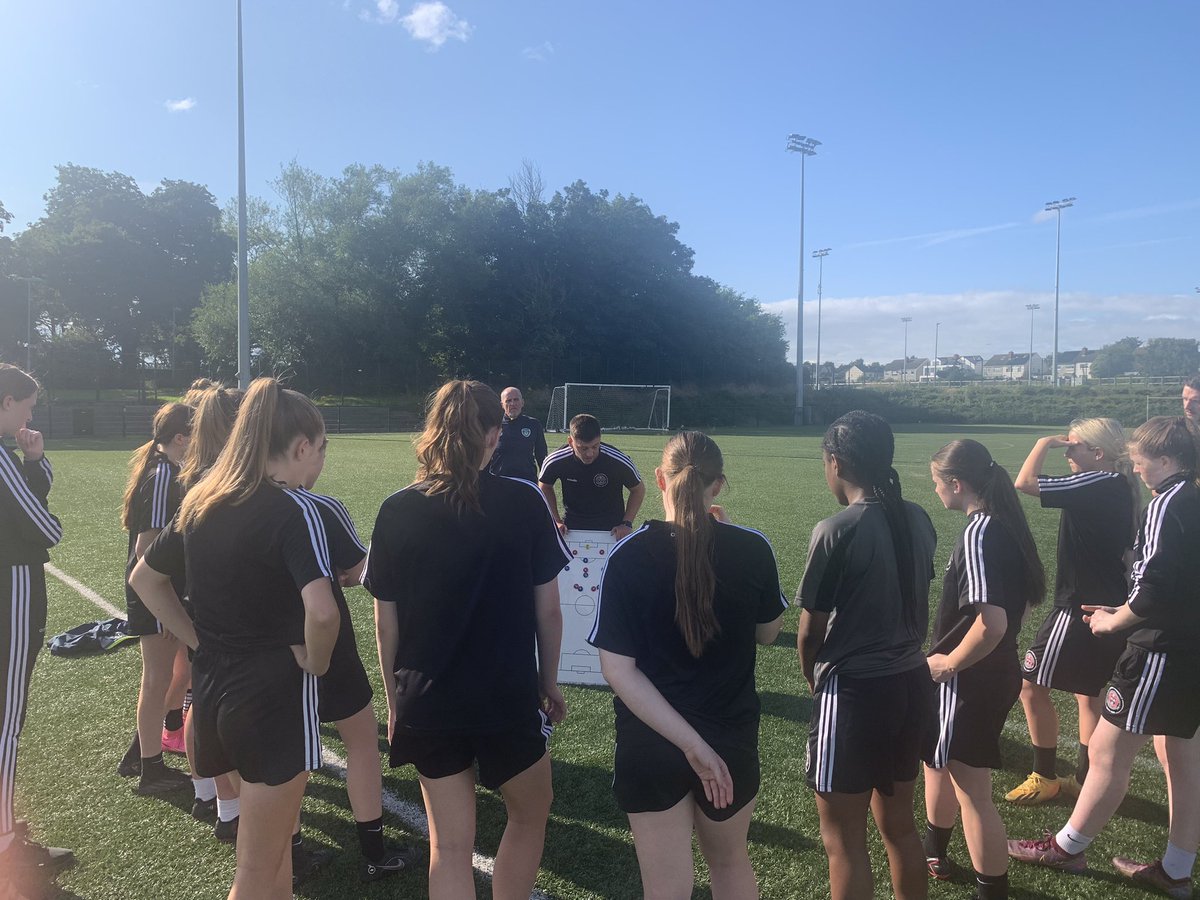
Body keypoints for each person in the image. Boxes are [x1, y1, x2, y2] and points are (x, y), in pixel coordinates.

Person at [130, 377, 341, 900]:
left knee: (273, 867)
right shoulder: (294, 510)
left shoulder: (203, 499)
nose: (320, 459)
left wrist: (198, 641)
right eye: (320, 448)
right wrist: (315, 661)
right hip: (272, 696)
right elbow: (323, 610)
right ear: (298, 447)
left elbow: (144, 578)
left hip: (215, 692)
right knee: (256, 868)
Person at [364, 380, 569, 900]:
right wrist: (551, 684)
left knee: (449, 847)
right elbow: (549, 609)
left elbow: (385, 623)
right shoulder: (524, 501)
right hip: (506, 696)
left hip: (427, 699)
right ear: (495, 435)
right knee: (530, 815)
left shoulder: (397, 508)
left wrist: (394, 703)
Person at [588, 431, 786, 899]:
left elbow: (618, 671)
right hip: (729, 738)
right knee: (731, 864)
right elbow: (769, 632)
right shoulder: (752, 548)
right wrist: (733, 535)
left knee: (666, 887)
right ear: (717, 485)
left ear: (659, 479)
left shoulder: (627, 556)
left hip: (651, 743)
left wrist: (686, 744)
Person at [1009, 416, 1200, 899]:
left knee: (1107, 754)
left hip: (1159, 650)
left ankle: (1067, 846)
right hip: (1188, 645)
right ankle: (1176, 869)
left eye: (1141, 461)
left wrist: (1116, 621)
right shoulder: (1193, 498)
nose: (1135, 470)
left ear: (1164, 459)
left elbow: (1154, 585)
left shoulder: (1168, 504)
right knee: (1180, 755)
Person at [796, 410, 938, 900]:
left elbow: (810, 633)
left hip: (855, 692)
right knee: (900, 827)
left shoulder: (837, 528)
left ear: (835, 462)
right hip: (911, 684)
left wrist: (816, 682)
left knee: (844, 840)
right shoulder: (918, 517)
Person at [925, 439, 1046, 900]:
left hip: (970, 677)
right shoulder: (1004, 524)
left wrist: (950, 664)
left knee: (973, 792)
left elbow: (990, 623)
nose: (936, 492)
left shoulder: (980, 531)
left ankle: (991, 890)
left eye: (937, 484)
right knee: (937, 763)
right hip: (990, 672)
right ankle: (934, 850)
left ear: (956, 484)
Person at [1005, 419, 1140, 806]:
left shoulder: (1098, 480)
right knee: (1088, 694)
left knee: (1029, 687)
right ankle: (1085, 777)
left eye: (1073, 446)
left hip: (1078, 607)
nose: (1066, 452)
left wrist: (1043, 441)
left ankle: (1044, 775)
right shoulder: (1118, 485)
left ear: (1098, 454)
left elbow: (1024, 482)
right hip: (1107, 604)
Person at [293, 479, 417, 882]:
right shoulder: (316, 507)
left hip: (263, 652)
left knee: (287, 752)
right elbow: (366, 571)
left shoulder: (212, 502)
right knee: (362, 741)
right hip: (327, 644)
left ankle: (287, 853)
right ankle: (374, 853)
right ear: (302, 446)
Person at [0, 364, 73, 893]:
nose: (30, 415)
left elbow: (31, 496)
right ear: (6, 402)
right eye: (26, 406)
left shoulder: (12, 458)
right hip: (13, 589)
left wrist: (35, 459)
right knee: (6, 717)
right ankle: (5, 842)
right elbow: (46, 526)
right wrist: (29, 464)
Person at [115, 401, 196, 797]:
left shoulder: (167, 470)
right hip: (154, 593)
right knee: (156, 679)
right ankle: (149, 768)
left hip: (163, 593)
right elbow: (147, 550)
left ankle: (142, 751)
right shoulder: (164, 475)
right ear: (180, 438)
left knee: (174, 675)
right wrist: (161, 602)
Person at [538, 413, 645, 540]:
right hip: (572, 527)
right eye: (583, 448)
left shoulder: (616, 460)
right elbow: (545, 485)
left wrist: (626, 523)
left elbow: (638, 489)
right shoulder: (556, 460)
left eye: (595, 446)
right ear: (571, 442)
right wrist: (556, 520)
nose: (590, 453)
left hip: (612, 529)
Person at [489, 386, 548, 482]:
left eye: (516, 400)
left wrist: (545, 482)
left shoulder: (533, 424)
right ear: (502, 405)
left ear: (522, 402)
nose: (512, 404)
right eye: (508, 401)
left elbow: (541, 456)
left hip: (526, 482)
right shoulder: (493, 425)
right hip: (499, 482)